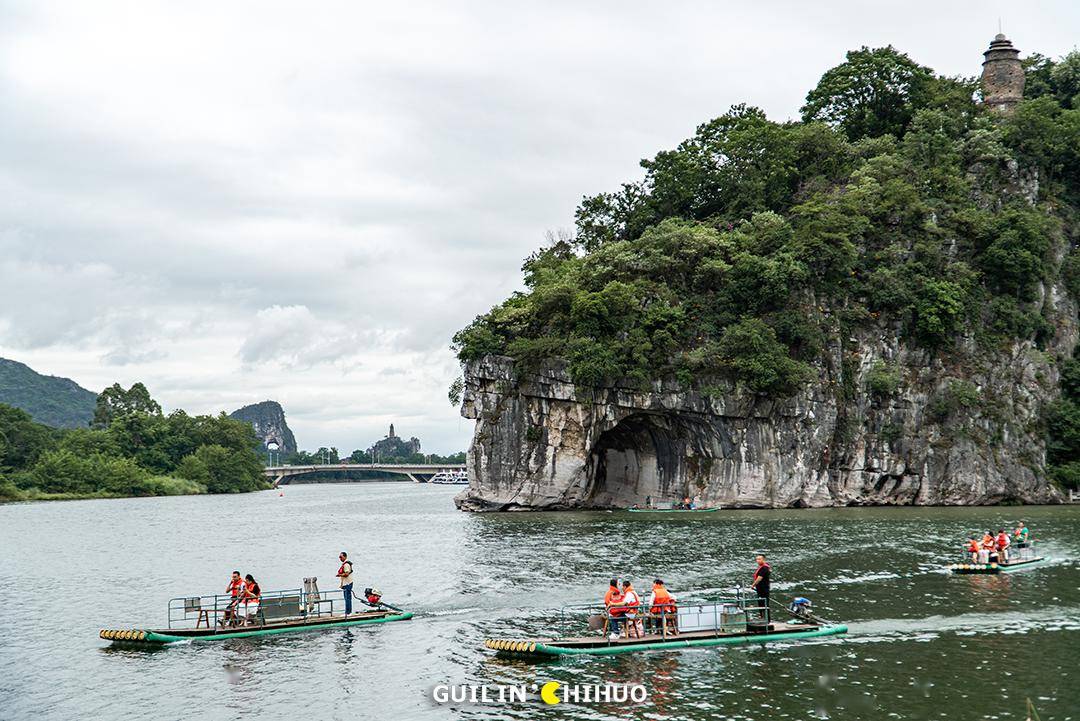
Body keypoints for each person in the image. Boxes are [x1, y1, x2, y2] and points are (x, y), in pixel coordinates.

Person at [750, 555, 771, 623]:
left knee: (764, 604)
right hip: (760, 589)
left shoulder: (764, 568)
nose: (758, 561)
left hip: (763, 589)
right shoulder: (762, 567)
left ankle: (766, 620)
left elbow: (759, 578)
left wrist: (753, 585)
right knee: (760, 603)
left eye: (759, 559)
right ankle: (762, 617)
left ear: (763, 560)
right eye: (757, 559)